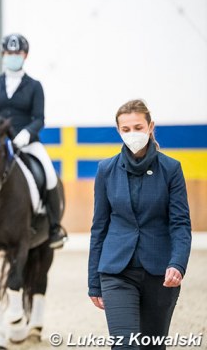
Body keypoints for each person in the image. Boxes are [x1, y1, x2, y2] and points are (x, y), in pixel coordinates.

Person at [88, 99, 192, 349]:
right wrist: (93, 281)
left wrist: (177, 263)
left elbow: (180, 223)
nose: (132, 133)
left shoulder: (171, 169)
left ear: (150, 127)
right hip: (116, 271)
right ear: (118, 131)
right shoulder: (106, 170)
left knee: (152, 346)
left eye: (138, 127)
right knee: (125, 345)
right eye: (126, 129)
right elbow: (99, 227)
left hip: (160, 273)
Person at [0, 33, 67, 249]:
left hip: (27, 142)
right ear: (3, 55)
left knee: (48, 174)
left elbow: (39, 118)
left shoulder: (34, 86)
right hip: (1, 144)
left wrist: (26, 133)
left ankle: (55, 227)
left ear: (25, 55)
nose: (13, 56)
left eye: (17, 53)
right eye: (9, 53)